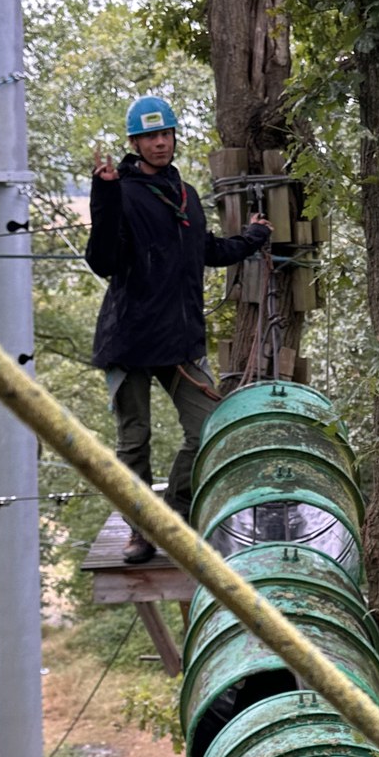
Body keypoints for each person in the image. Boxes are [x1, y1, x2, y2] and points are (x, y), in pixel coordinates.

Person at [86, 95, 269, 563]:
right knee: (134, 442)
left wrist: (252, 238)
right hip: (130, 339)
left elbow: (205, 250)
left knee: (207, 429)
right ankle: (141, 530)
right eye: (150, 136)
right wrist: (103, 195)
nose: (160, 143)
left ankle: (174, 514)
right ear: (135, 143)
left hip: (178, 339)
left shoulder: (184, 194)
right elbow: (102, 260)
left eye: (165, 134)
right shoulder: (121, 193)